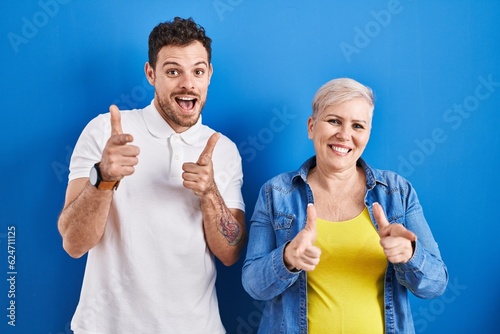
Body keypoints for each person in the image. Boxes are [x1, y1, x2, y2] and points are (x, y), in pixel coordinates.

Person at [57, 17, 246, 334]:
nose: (187, 83)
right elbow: (74, 244)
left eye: (198, 71)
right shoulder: (105, 131)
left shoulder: (223, 150)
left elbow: (230, 254)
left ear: (209, 75)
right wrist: (103, 178)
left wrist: (210, 193)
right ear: (151, 74)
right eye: (173, 71)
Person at [241, 78, 448, 333]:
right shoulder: (276, 193)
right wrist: (287, 258)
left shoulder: (397, 192)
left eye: (358, 126)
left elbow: (435, 285)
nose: (344, 135)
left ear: (367, 134)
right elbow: (253, 285)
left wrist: (410, 255)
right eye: (334, 121)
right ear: (311, 126)